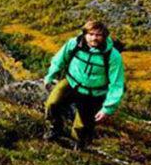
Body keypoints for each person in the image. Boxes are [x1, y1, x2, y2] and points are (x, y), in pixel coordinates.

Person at [43, 20, 125, 148]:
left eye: (98, 35)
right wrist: (50, 76)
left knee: (82, 125)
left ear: (104, 36)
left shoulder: (113, 56)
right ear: (85, 34)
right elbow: (60, 59)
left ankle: (77, 146)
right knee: (52, 104)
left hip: (94, 93)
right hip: (71, 83)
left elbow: (117, 84)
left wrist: (107, 108)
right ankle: (55, 128)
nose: (94, 38)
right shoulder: (74, 44)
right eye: (91, 34)